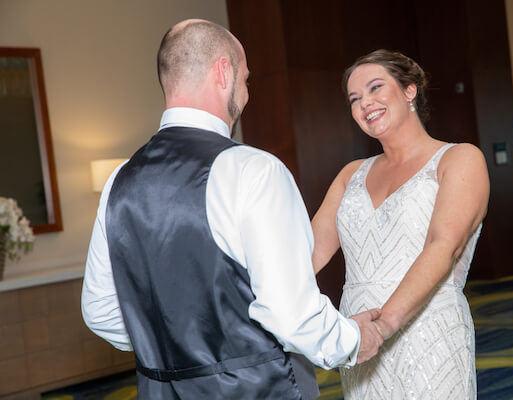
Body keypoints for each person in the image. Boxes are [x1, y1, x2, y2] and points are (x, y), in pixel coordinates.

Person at [81, 19, 383, 399]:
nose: (245, 94)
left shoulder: (118, 181)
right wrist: (354, 341)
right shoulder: (254, 170)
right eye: (245, 80)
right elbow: (291, 314)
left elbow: (101, 313)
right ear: (224, 72)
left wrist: (171, 348)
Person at [311, 49, 489, 399]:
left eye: (376, 88)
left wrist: (385, 323)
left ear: (410, 90)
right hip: (361, 336)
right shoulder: (350, 175)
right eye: (355, 98)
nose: (365, 103)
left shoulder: (459, 158)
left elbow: (444, 245)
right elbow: (310, 251)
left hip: (428, 332)